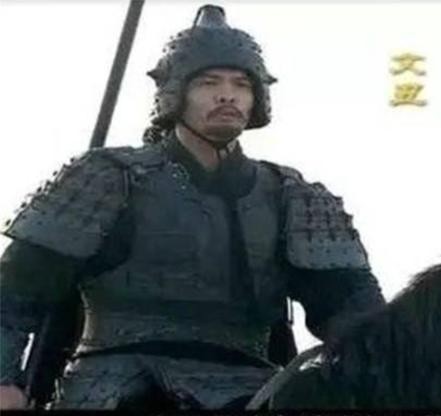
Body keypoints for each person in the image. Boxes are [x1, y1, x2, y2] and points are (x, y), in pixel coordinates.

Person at [0, 5, 385, 409]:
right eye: (208, 82)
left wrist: (382, 373)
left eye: (241, 84)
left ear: (256, 98)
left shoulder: (292, 195)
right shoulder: (107, 178)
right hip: (117, 388)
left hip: (254, 390)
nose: (227, 95)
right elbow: (13, 293)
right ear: (176, 93)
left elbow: (355, 314)